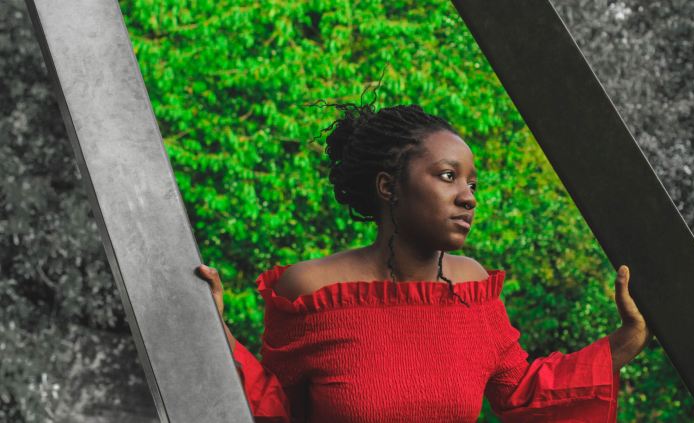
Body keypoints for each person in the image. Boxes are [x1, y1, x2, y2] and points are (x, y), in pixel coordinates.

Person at [196, 103, 651, 422]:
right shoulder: (311, 291)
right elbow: (270, 408)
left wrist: (624, 341)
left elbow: (523, 392)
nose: (468, 198)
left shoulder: (473, 288)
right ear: (388, 186)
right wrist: (213, 333)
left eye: (473, 184)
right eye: (448, 177)